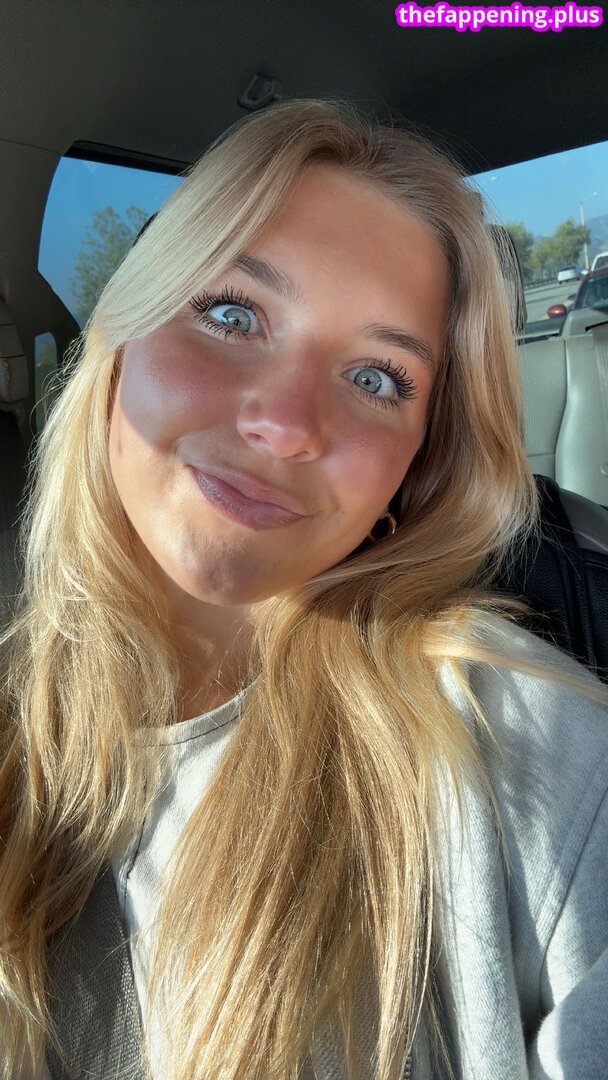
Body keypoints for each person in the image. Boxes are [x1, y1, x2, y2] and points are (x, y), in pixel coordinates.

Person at [1, 97, 607, 1080]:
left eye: (376, 378)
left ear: (415, 467)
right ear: (119, 341)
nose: (285, 425)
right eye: (231, 313)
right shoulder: (16, 722)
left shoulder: (535, 760)